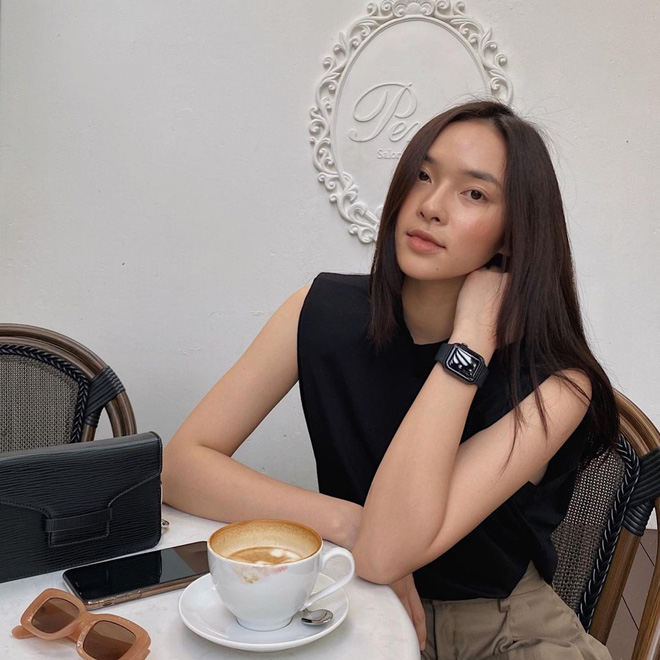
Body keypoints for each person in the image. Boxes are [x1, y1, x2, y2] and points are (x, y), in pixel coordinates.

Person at [162, 100, 618, 659]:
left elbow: (386, 552)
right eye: (423, 176)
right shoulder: (320, 312)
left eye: (474, 194)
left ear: (512, 234)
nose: (431, 206)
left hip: (501, 629)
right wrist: (346, 522)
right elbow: (180, 468)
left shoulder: (557, 386)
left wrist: (471, 342)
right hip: (349, 603)